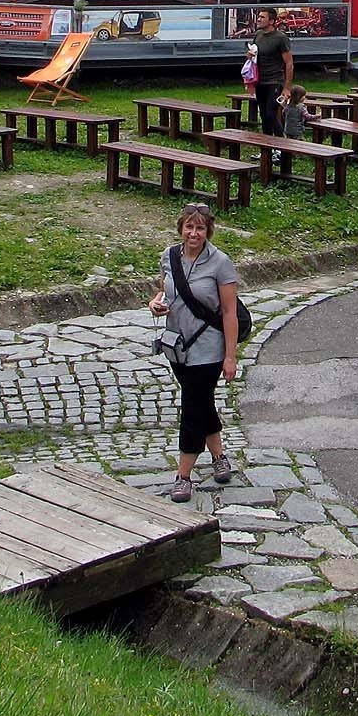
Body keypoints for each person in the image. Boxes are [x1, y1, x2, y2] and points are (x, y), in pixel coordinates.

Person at [148, 203, 240, 503]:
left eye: (200, 228)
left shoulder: (221, 263)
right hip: (177, 345)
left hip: (208, 348)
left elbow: (229, 312)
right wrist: (157, 303)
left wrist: (230, 356)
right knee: (201, 402)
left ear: (208, 232)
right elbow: (167, 291)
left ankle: (184, 476)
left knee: (191, 406)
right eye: (189, 227)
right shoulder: (169, 256)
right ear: (181, 229)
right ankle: (219, 457)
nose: (194, 233)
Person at [252, 7, 293, 136]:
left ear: (271, 21)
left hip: (274, 81)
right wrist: (249, 55)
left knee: (272, 114)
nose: (258, 19)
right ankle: (266, 148)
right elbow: (254, 55)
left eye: (262, 17)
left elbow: (289, 63)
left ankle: (280, 148)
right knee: (264, 115)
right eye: (258, 16)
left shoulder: (280, 38)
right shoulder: (258, 35)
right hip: (260, 81)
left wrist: (287, 88)